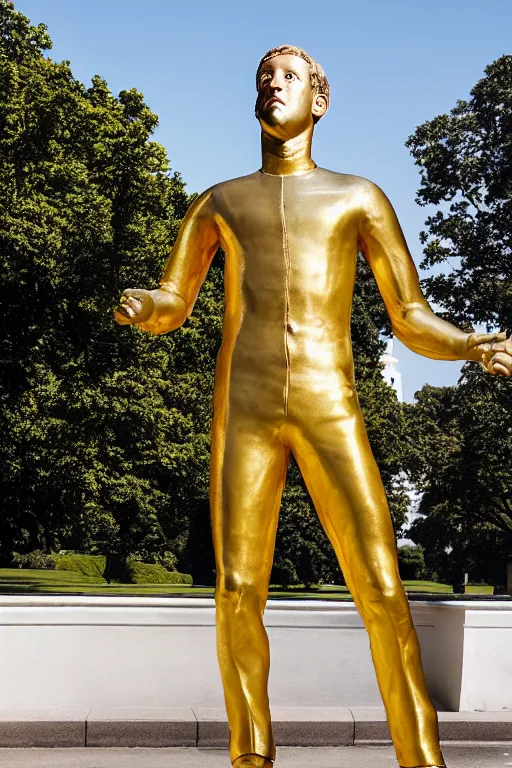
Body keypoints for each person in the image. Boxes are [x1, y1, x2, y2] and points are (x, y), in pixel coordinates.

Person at [115, 45, 512, 768]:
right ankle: (251, 753)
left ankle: (421, 756)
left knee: (383, 588)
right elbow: (177, 302)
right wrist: (148, 306)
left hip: (333, 409)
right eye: (264, 76)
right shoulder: (219, 202)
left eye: (288, 76)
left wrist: (469, 345)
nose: (273, 85)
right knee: (237, 589)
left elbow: (410, 314)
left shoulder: (358, 197)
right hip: (245, 413)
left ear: (318, 101)